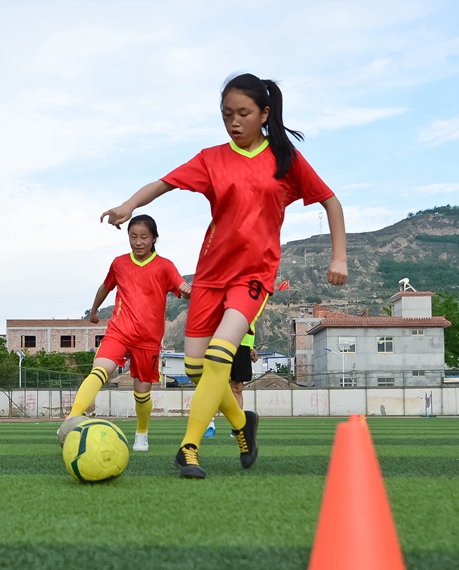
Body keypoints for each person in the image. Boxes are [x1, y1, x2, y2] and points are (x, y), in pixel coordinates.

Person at [101, 73, 348, 478]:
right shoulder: (211, 158)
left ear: (264, 114)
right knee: (198, 371)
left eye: (243, 114)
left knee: (219, 356)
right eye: (226, 114)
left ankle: (188, 448)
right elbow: (164, 183)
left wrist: (339, 257)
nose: (233, 122)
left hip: (253, 276)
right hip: (210, 276)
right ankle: (242, 424)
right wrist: (128, 205)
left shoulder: (285, 159)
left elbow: (331, 201)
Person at [58, 214, 190, 452]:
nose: (138, 242)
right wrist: (95, 310)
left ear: (154, 239)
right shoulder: (119, 263)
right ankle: (71, 419)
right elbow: (105, 286)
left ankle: (141, 433)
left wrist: (190, 290)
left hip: (148, 340)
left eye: (144, 237)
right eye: (133, 237)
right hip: (119, 331)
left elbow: (181, 285)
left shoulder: (165, 266)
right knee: (99, 370)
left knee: (141, 393)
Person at [204, 317, 259, 439]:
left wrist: (251, 346)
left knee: (237, 388)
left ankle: (237, 427)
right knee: (215, 385)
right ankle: (210, 426)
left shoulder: (250, 301)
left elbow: (251, 323)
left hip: (243, 346)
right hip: (221, 343)